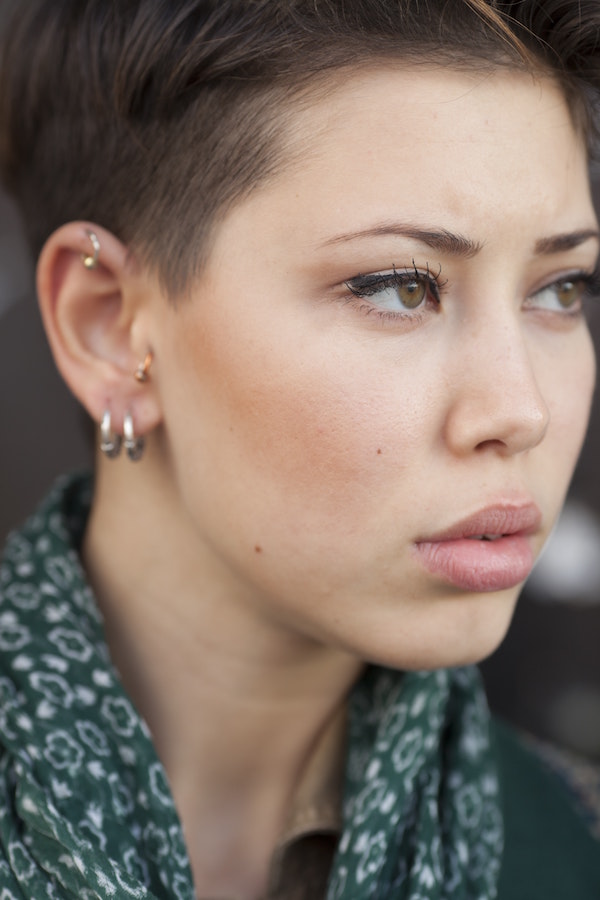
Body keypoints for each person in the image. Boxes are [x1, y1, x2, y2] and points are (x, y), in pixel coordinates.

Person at [0, 0, 599, 897]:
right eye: (400, 288)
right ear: (109, 328)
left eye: (560, 289)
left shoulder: (569, 847)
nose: (520, 411)